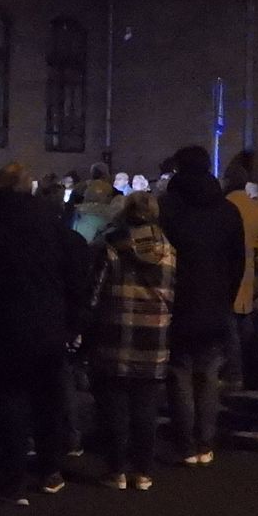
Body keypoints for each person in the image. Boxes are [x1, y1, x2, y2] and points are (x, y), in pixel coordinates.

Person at [0, 163, 90, 501]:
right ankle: (49, 470)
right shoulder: (50, 223)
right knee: (48, 400)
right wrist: (73, 320)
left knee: (8, 401)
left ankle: (12, 478)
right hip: (48, 325)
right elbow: (75, 272)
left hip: (2, 326)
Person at [159, 146, 244, 466]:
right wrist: (226, 297)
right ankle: (205, 440)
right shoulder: (227, 210)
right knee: (208, 374)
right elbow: (238, 261)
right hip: (215, 302)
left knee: (179, 371)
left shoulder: (169, 208)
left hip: (177, 299)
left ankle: (185, 443)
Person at [87, 191, 175, 491]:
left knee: (114, 407)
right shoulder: (168, 249)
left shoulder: (111, 245)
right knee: (146, 407)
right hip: (154, 337)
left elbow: (93, 294)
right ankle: (143, 471)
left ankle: (116, 471)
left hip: (115, 335)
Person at [223, 158, 258, 391]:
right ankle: (252, 370)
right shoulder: (256, 208)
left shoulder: (225, 205)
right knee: (245, 321)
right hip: (248, 270)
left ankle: (234, 374)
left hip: (229, 268)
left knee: (230, 326)